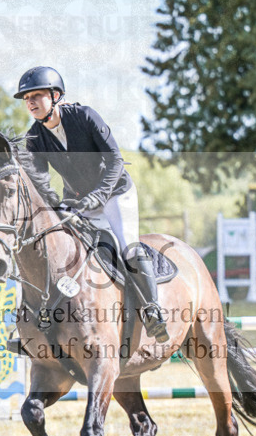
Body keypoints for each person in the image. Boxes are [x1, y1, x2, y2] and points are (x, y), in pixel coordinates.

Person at [14, 65, 169, 342]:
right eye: (27, 99)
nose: (31, 102)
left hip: (115, 193)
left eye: (36, 95)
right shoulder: (34, 137)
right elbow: (40, 182)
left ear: (56, 95)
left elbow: (115, 160)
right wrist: (56, 205)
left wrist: (99, 195)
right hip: (78, 201)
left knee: (127, 246)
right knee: (61, 250)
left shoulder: (85, 117)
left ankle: (152, 310)